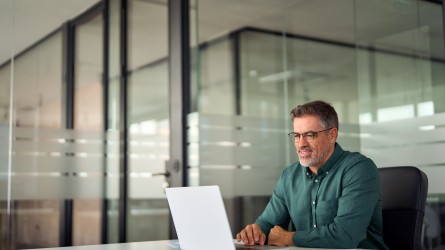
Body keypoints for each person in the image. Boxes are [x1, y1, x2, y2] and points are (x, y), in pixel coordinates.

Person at [236, 100, 389, 249]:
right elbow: (268, 224)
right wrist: (255, 232)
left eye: (310, 135)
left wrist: (290, 237)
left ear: (332, 135)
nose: (301, 143)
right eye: (296, 135)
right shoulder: (290, 175)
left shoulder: (358, 169)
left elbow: (345, 236)